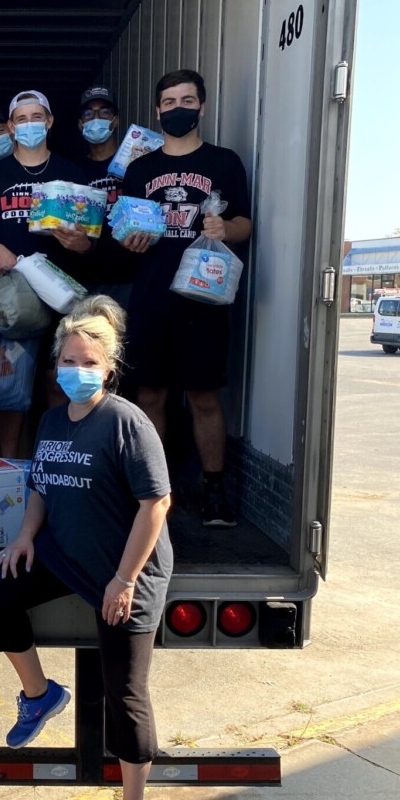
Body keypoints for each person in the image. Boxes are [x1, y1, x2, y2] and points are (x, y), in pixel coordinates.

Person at [0, 295, 172, 800]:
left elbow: (156, 502)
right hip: (64, 554)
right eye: (67, 361)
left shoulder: (126, 422)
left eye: (88, 362)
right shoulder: (54, 418)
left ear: (107, 367)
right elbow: (40, 484)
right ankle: (40, 695)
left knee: (124, 697)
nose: (76, 371)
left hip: (124, 571)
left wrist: (124, 578)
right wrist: (24, 537)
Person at [117, 69, 252, 527]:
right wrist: (131, 240)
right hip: (152, 295)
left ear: (202, 107)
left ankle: (214, 490)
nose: (179, 109)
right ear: (158, 111)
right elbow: (125, 228)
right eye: (170, 102)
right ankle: (156, 492)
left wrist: (225, 228)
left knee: (204, 395)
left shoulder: (225, 163)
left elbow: (245, 224)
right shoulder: (140, 169)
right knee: (149, 393)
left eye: (187, 100)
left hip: (204, 296)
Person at [0, 90, 90, 455]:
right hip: (14, 300)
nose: (29, 125)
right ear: (10, 126)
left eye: (36, 117)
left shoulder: (70, 173)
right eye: (21, 120)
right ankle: (9, 467)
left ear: (50, 122)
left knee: (59, 381)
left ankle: (58, 461)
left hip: (61, 296)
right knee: (11, 388)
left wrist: (77, 243)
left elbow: (89, 242)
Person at [77, 85, 137, 308]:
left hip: (131, 276)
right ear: (80, 124)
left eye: (104, 112)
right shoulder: (74, 172)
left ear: (115, 121)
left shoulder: (136, 166)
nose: (96, 118)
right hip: (88, 278)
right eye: (88, 114)